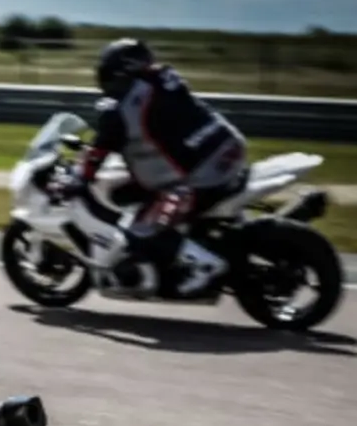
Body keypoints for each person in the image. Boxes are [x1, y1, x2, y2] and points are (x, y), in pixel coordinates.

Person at [53, 38, 248, 297]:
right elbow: (159, 130)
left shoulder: (122, 110)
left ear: (120, 73)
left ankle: (204, 266)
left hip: (200, 174)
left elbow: (98, 151)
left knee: (141, 230)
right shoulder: (164, 78)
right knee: (144, 196)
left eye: (108, 73)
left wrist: (77, 179)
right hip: (226, 147)